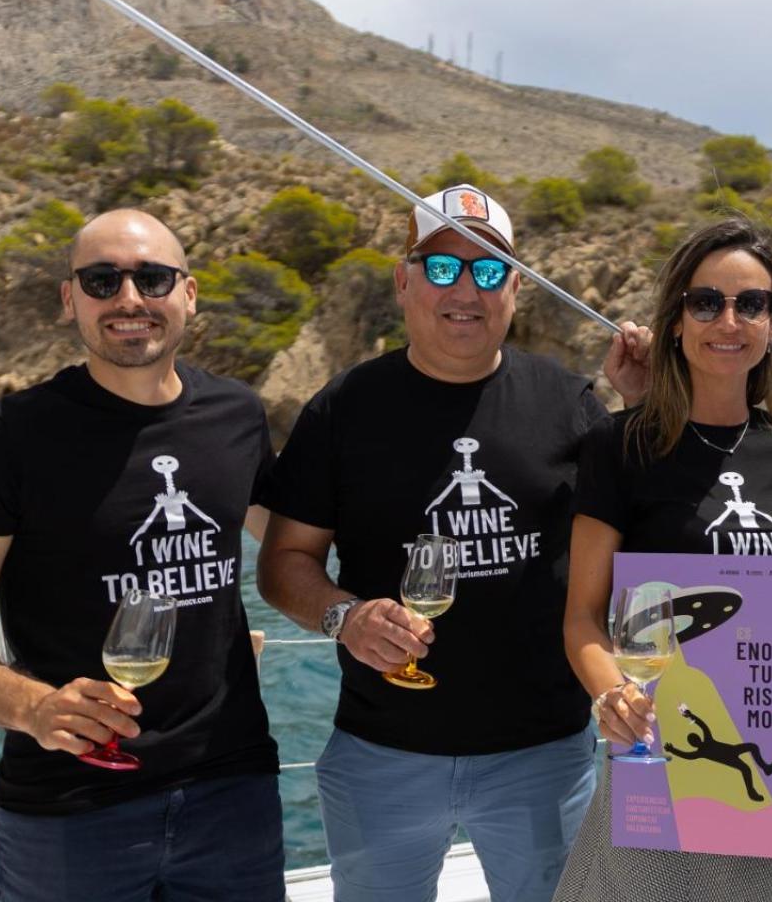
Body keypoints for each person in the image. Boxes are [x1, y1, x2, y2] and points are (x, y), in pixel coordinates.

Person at [257, 183, 650, 902]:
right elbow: (284, 564)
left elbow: (655, 539)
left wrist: (648, 408)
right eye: (442, 268)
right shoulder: (342, 410)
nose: (466, 288)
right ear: (404, 283)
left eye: (490, 269)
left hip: (546, 756)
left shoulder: (575, 406)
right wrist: (345, 617)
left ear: (517, 290)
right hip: (382, 755)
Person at [0, 209, 283, 901]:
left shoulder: (237, 417)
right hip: (71, 813)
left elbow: (298, 545)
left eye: (153, 278)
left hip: (232, 793)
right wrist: (35, 708)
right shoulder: (10, 438)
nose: (130, 299)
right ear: (70, 298)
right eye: (102, 280)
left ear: (189, 293)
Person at [554, 217, 772, 902]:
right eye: (706, 301)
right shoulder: (618, 446)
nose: (729, 319)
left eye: (752, 303)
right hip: (658, 763)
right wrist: (611, 694)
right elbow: (583, 618)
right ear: (677, 319)